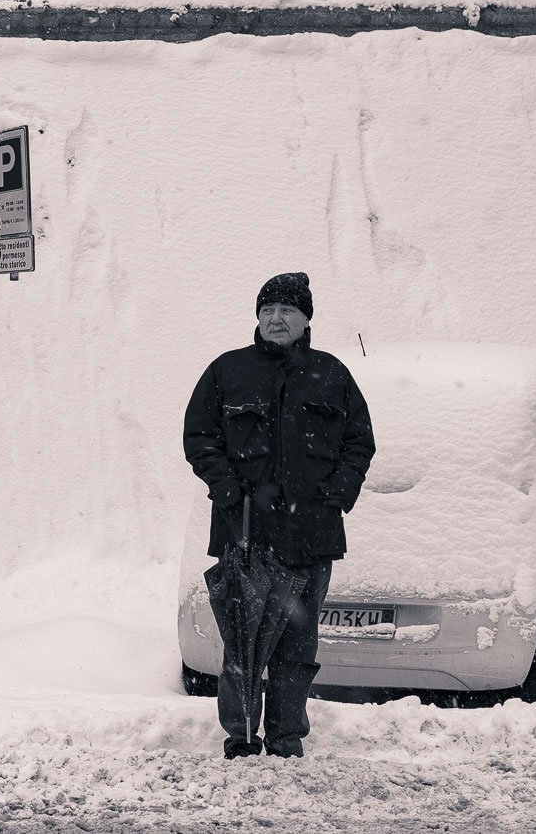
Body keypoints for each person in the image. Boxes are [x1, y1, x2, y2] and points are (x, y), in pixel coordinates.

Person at [183, 272, 375, 759]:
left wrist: (338, 491)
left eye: (286, 310)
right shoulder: (227, 371)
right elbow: (199, 437)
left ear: (306, 319)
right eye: (267, 310)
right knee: (243, 645)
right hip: (244, 534)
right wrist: (228, 491)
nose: (275, 318)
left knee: (297, 647)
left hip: (310, 536)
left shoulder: (331, 374)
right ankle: (242, 738)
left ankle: (287, 738)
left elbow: (359, 441)